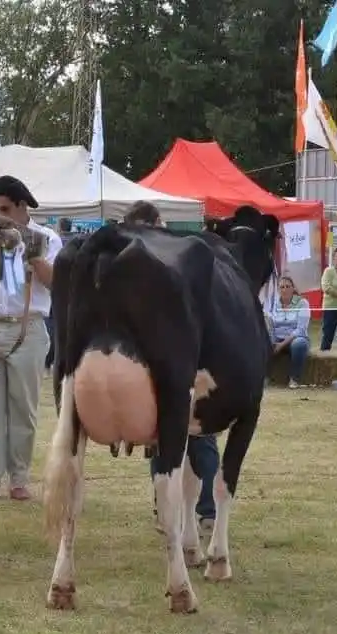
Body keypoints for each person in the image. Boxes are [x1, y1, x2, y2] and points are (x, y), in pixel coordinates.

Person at [0, 175, 62, 502]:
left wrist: (33, 254)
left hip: (28, 328)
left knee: (23, 409)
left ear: (21, 205)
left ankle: (19, 479)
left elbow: (56, 283)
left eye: (4, 208)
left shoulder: (46, 238)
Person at [120, 200, 219, 530]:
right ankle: (167, 509)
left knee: (198, 439)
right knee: (165, 439)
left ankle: (205, 510)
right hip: (160, 369)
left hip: (194, 364)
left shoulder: (183, 259)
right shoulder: (138, 270)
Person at [266, 276, 311, 388]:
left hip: (295, 338)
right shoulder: (272, 303)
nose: (284, 290)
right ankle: (264, 377)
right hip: (277, 337)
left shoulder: (302, 303)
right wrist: (271, 341)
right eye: (282, 287)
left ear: (293, 288)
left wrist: (281, 345)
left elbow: (301, 329)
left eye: (287, 286)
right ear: (278, 290)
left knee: (299, 344)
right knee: (262, 342)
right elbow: (270, 324)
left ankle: (294, 379)